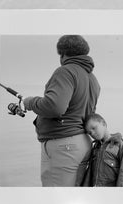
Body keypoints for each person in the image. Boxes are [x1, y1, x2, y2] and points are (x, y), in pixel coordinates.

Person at [22, 35, 100, 186]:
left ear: (63, 54)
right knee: (74, 197)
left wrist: (30, 102)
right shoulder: (93, 78)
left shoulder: (65, 72)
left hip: (63, 146)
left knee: (56, 200)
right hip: (83, 142)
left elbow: (54, 107)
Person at [76, 113, 123, 187]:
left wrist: (121, 194)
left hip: (111, 193)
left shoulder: (119, 145)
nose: (92, 133)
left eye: (94, 128)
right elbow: (90, 173)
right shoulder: (95, 148)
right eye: (89, 133)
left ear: (103, 123)